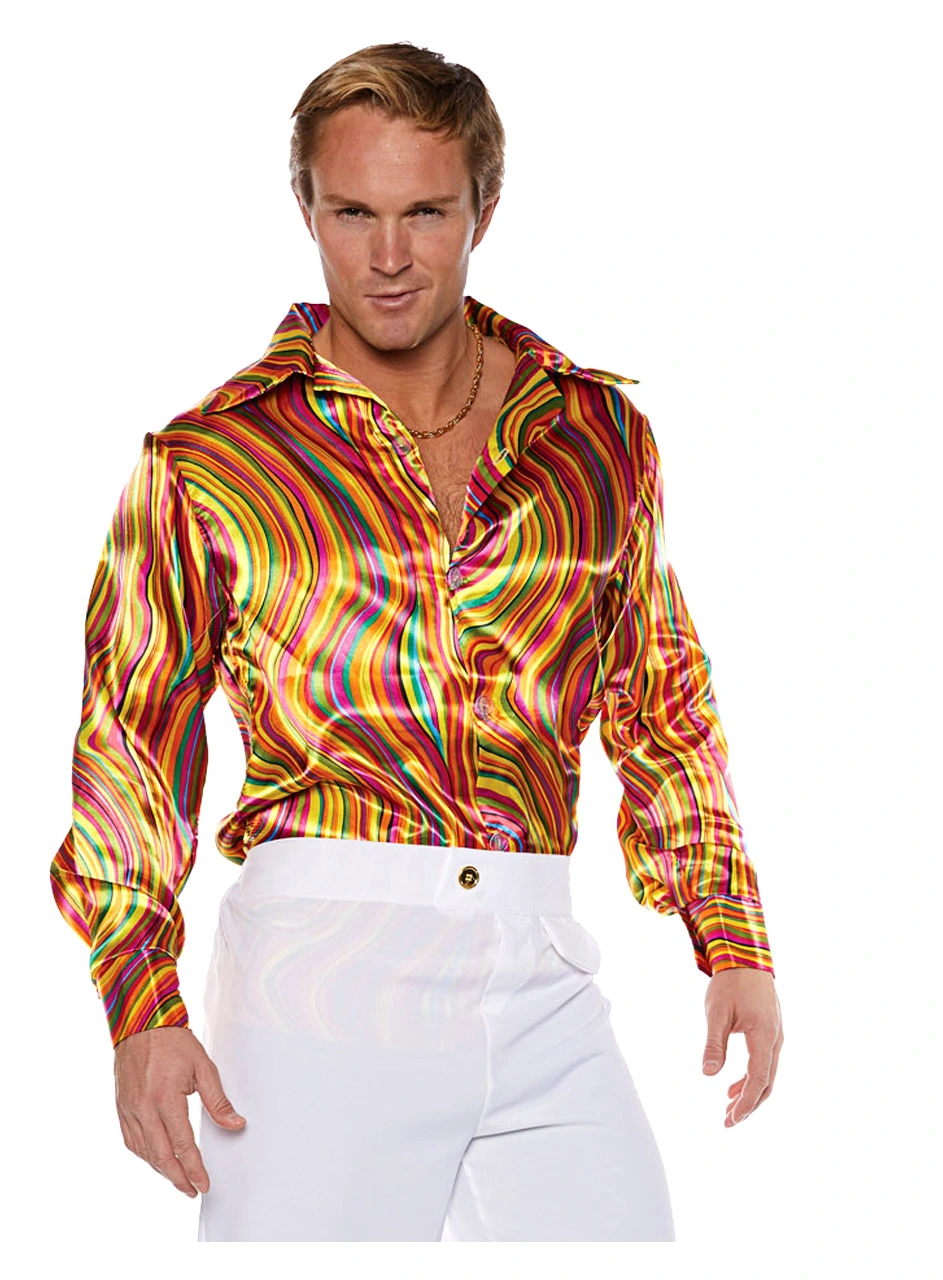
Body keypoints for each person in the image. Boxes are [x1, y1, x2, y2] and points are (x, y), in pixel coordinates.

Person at [49, 41, 783, 1242]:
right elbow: (130, 738)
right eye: (353, 213)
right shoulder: (210, 459)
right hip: (320, 978)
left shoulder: (595, 434)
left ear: (483, 207)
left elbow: (657, 696)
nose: (387, 256)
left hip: (541, 964)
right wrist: (140, 1004)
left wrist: (731, 935)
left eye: (425, 213)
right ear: (307, 208)